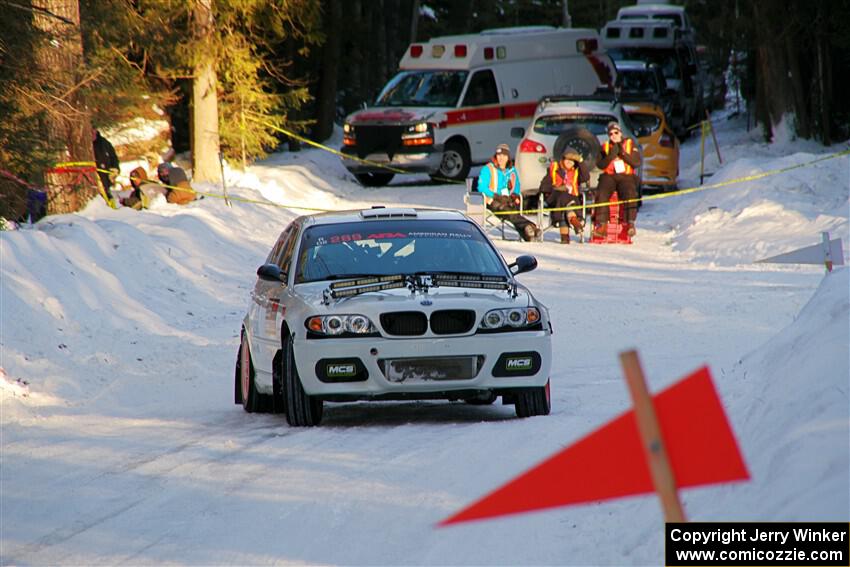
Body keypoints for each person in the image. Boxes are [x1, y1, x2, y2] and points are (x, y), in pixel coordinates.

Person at [477, 143, 540, 241]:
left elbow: (517, 186)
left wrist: (515, 195)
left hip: (509, 200)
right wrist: (496, 196)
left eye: (504, 155)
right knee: (509, 212)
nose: (501, 158)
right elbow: (481, 187)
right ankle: (530, 226)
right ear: (495, 156)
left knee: (513, 211)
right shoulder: (488, 169)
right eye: (499, 155)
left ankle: (528, 234)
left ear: (508, 157)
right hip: (493, 200)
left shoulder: (511, 170)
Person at [594, 121, 642, 238]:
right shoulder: (605, 146)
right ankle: (603, 225)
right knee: (601, 193)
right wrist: (611, 155)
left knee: (630, 192)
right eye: (610, 134)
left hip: (626, 175)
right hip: (609, 176)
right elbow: (600, 164)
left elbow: (636, 162)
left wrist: (622, 153)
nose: (613, 135)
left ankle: (630, 224)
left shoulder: (630, 144)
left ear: (620, 133)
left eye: (616, 132)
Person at [538, 149, 589, 244]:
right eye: (567, 159)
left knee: (566, 201)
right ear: (562, 159)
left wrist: (581, 161)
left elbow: (586, 177)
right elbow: (544, 186)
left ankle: (565, 236)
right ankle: (575, 221)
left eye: (572, 160)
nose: (569, 162)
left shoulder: (577, 171)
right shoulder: (554, 168)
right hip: (555, 198)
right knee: (563, 195)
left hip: (571, 199)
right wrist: (556, 188)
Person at [92, 128, 119, 207]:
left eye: (94, 130)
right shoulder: (83, 144)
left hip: (105, 181)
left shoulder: (104, 144)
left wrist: (115, 169)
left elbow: (114, 158)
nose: (92, 132)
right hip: (91, 182)